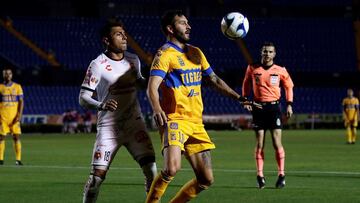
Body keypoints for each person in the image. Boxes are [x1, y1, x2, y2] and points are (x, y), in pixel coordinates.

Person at [146, 10, 252, 203]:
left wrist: (239, 97)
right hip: (175, 119)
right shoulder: (165, 55)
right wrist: (157, 109)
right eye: (182, 23)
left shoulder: (196, 52)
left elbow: (214, 80)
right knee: (171, 168)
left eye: (188, 22)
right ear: (170, 28)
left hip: (196, 122)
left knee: (206, 179)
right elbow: (151, 87)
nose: (188, 26)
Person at [79, 19, 157, 203]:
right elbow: (83, 97)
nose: (124, 37)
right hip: (109, 128)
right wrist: (101, 105)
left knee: (152, 171)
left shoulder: (133, 59)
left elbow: (140, 82)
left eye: (124, 33)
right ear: (106, 40)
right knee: (97, 178)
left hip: (134, 125)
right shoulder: (97, 64)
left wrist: (153, 77)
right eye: (118, 34)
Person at [242, 42, 294, 189]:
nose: (267, 54)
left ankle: (281, 175)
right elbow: (246, 83)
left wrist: (289, 104)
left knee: (277, 143)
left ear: (274, 54)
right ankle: (260, 175)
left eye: (270, 52)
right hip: (258, 108)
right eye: (265, 51)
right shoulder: (253, 68)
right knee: (259, 144)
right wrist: (245, 99)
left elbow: (289, 86)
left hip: (274, 108)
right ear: (261, 52)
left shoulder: (281, 70)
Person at [0, 68, 24, 166]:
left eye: (9, 74)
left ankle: (18, 160)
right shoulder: (0, 87)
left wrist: (20, 115)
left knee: (16, 137)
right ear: (3, 75)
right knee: (1, 138)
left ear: (12, 75)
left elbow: (21, 102)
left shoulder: (17, 87)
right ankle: (0, 159)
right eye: (6, 74)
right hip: (3, 118)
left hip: (14, 118)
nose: (8, 75)